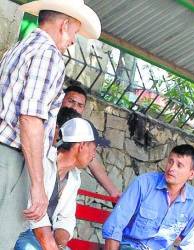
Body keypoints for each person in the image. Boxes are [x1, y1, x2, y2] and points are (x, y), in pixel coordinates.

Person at [0, 1, 101, 248]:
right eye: (75, 33)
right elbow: (30, 118)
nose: (73, 41)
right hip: (11, 161)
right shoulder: (49, 55)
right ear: (64, 25)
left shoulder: (19, 48)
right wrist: (37, 186)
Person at [15, 117, 109, 250]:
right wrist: (51, 245)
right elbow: (34, 214)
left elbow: (67, 218)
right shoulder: (43, 162)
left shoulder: (74, 177)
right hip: (21, 231)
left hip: (45, 238)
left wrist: (60, 244)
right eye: (94, 148)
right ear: (81, 145)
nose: (94, 155)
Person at [103, 144, 194, 250]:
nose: (171, 168)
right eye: (170, 161)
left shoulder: (193, 201)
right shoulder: (143, 184)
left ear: (192, 174)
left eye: (179, 165)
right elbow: (114, 227)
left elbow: (188, 244)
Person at [62, 82, 121, 197]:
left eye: (80, 105)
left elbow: (93, 162)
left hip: (65, 184)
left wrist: (114, 192)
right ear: (61, 100)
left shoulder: (83, 130)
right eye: (71, 101)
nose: (74, 108)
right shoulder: (49, 118)